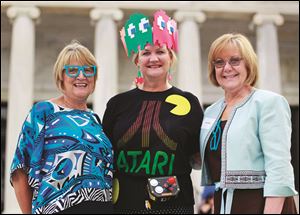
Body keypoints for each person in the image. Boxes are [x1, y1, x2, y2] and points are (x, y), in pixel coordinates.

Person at [102, 10, 203, 214]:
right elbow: (105, 154)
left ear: (170, 57)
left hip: (175, 205)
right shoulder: (117, 104)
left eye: (160, 51)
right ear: (137, 60)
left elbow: (198, 156)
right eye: (146, 53)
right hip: (125, 204)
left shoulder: (189, 102)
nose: (153, 58)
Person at [10, 40, 113, 214]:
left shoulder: (95, 119)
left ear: (94, 78)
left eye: (88, 70)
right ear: (61, 77)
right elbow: (19, 170)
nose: (81, 76)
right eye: (72, 70)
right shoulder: (43, 112)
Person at [200, 33, 298, 214]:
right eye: (219, 62)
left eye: (235, 60)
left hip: (262, 204)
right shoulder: (211, 112)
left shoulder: (269, 103)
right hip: (223, 204)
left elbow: (279, 168)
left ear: (248, 64)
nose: (226, 68)